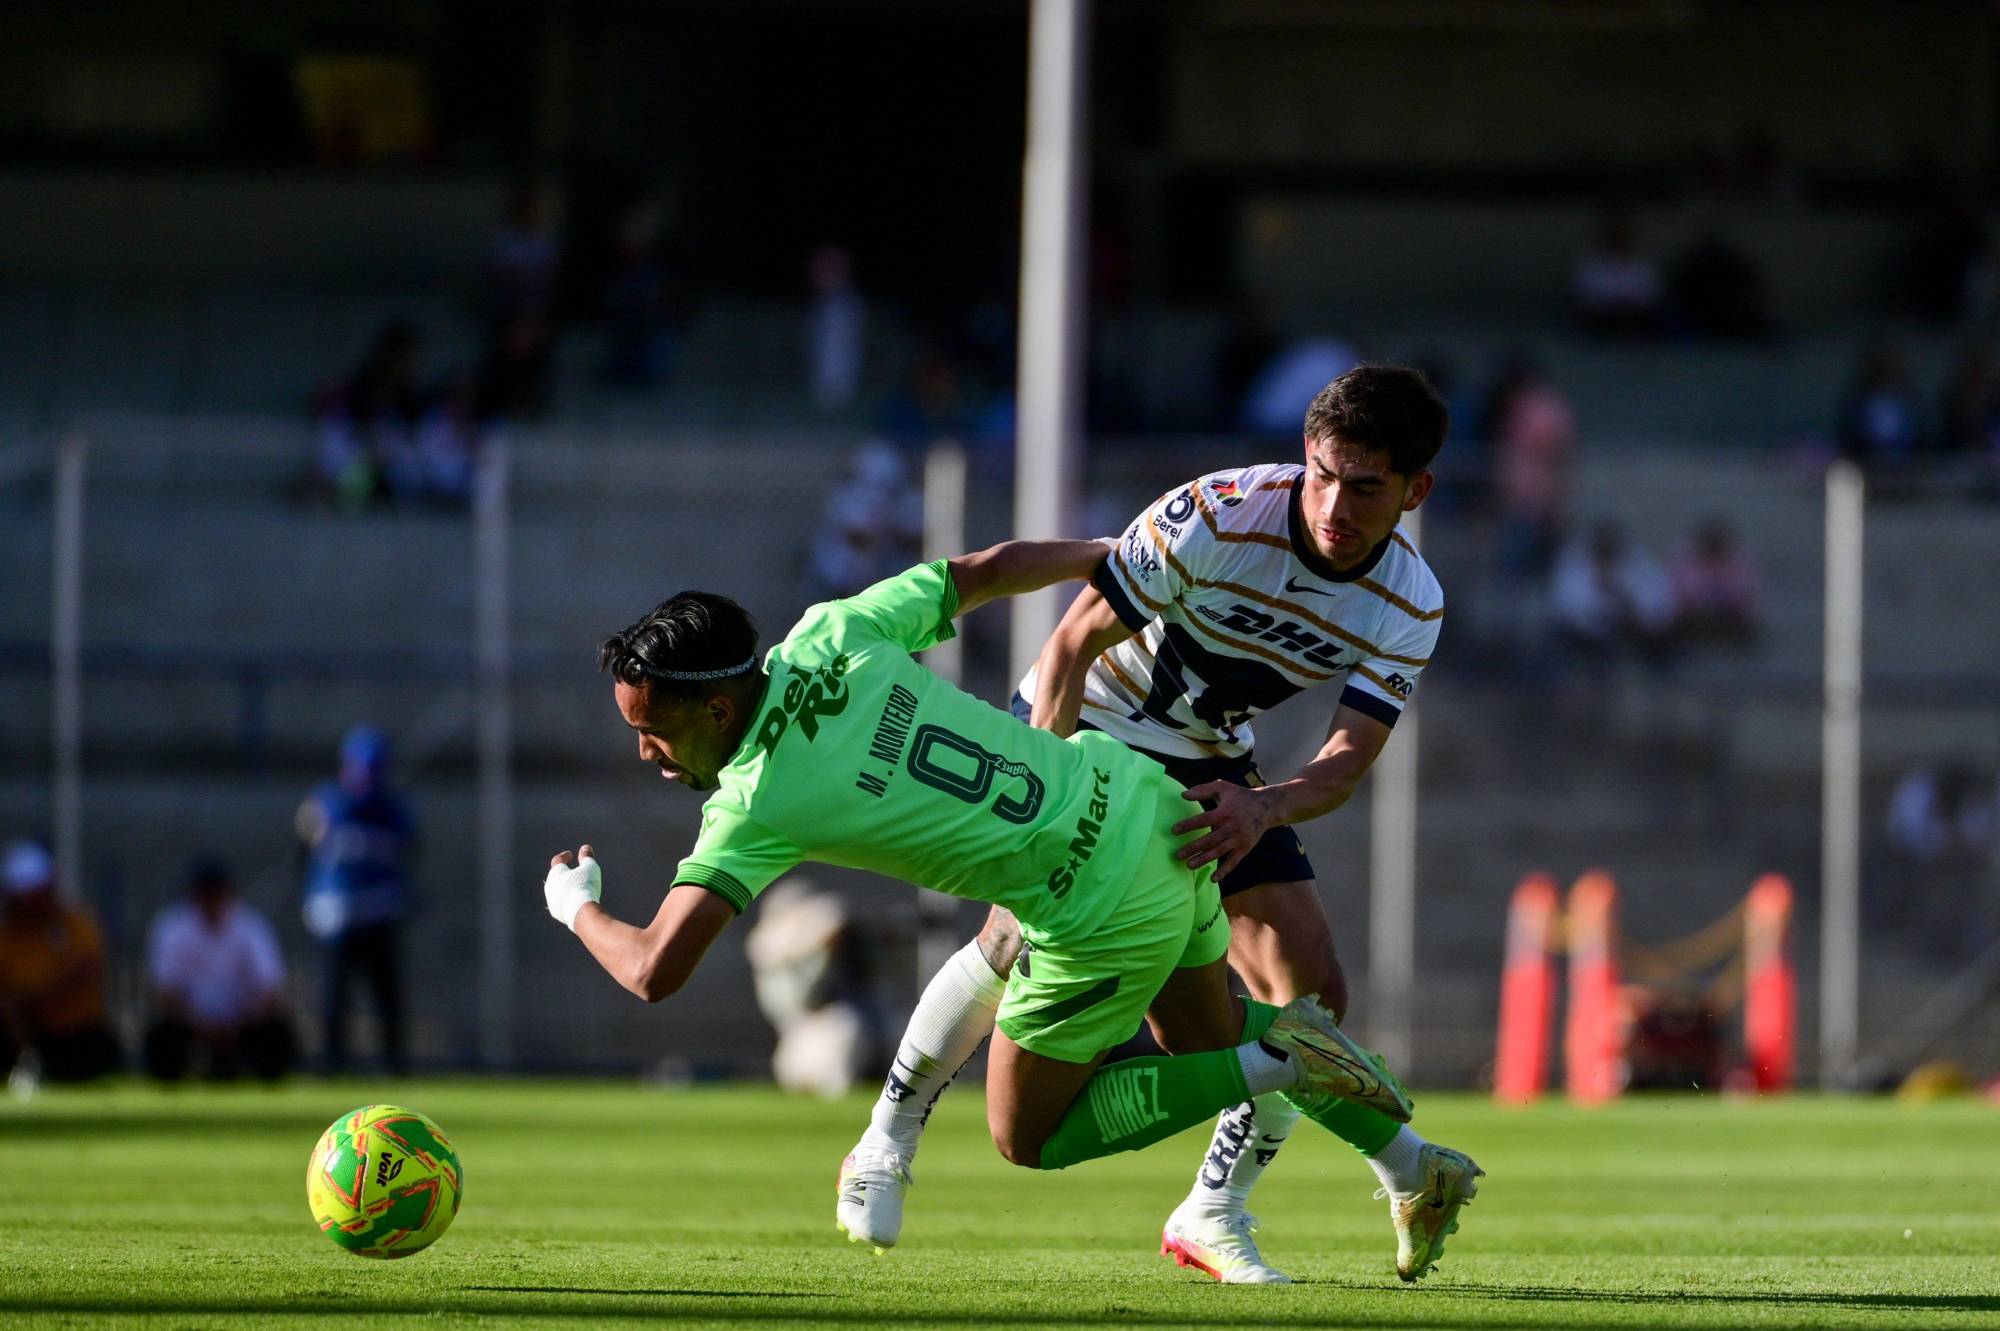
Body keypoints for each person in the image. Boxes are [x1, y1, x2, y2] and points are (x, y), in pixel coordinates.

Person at [542, 546, 1417, 1270]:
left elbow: (654, 969)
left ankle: (1285, 1066)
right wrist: (1123, 564)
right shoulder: (829, 630)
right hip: (1144, 797)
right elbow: (991, 567)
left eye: (651, 729)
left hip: (1093, 895)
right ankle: (1409, 1159)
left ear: (719, 706)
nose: (647, 751)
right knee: (1205, 1039)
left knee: (1027, 1134)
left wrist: (575, 904)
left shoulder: (753, 805)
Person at [837, 365, 1481, 1284]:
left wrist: (1264, 804)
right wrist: (1047, 791)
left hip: (1208, 756)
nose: (1335, 502)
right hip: (1088, 718)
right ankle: (884, 1139)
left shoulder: (1411, 601)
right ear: (1306, 454)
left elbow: (1346, 760)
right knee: (1015, 930)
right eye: (1324, 473)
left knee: (1310, 995)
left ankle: (1218, 1210)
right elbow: (1070, 643)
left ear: (1416, 490)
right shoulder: (1217, 516)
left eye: (1367, 486)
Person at [298, 725, 417, 1075]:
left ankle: (394, 1065)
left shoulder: (395, 813)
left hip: (380, 916)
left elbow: (409, 856)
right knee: (334, 998)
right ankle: (333, 1064)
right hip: (338, 919)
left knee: (386, 999)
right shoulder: (325, 805)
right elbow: (304, 853)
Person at [143, 856, 297, 1082]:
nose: (211, 900)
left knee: (276, 1035)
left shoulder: (250, 926)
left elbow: (268, 988)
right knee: (162, 1036)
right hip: (190, 1022)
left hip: (242, 1021)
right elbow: (165, 991)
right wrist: (200, 1026)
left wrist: (239, 1023)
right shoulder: (172, 928)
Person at [0, 840, 120, 1083]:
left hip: (73, 1033)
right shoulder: (6, 937)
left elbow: (87, 970)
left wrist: (33, 1000)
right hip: (22, 1032)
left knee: (95, 1045)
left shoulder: (75, 925)